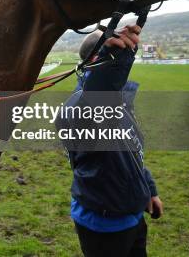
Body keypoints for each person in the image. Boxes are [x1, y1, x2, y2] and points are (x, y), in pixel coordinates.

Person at [56, 25, 163, 257]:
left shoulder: (119, 102)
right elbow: (97, 99)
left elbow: (131, 152)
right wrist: (107, 60)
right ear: (96, 59)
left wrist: (150, 190)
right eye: (112, 53)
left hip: (132, 211)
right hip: (103, 223)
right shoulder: (78, 108)